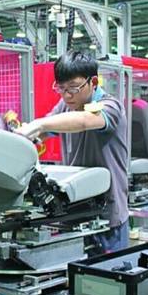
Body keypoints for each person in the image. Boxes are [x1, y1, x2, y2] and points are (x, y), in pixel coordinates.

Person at [15, 50, 129, 254]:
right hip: (74, 213)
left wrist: (38, 124)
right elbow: (45, 130)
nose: (67, 95)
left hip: (106, 217)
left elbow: (85, 120)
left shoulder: (111, 106)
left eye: (74, 88)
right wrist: (26, 137)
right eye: (61, 88)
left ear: (93, 82)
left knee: (109, 271)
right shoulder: (65, 106)